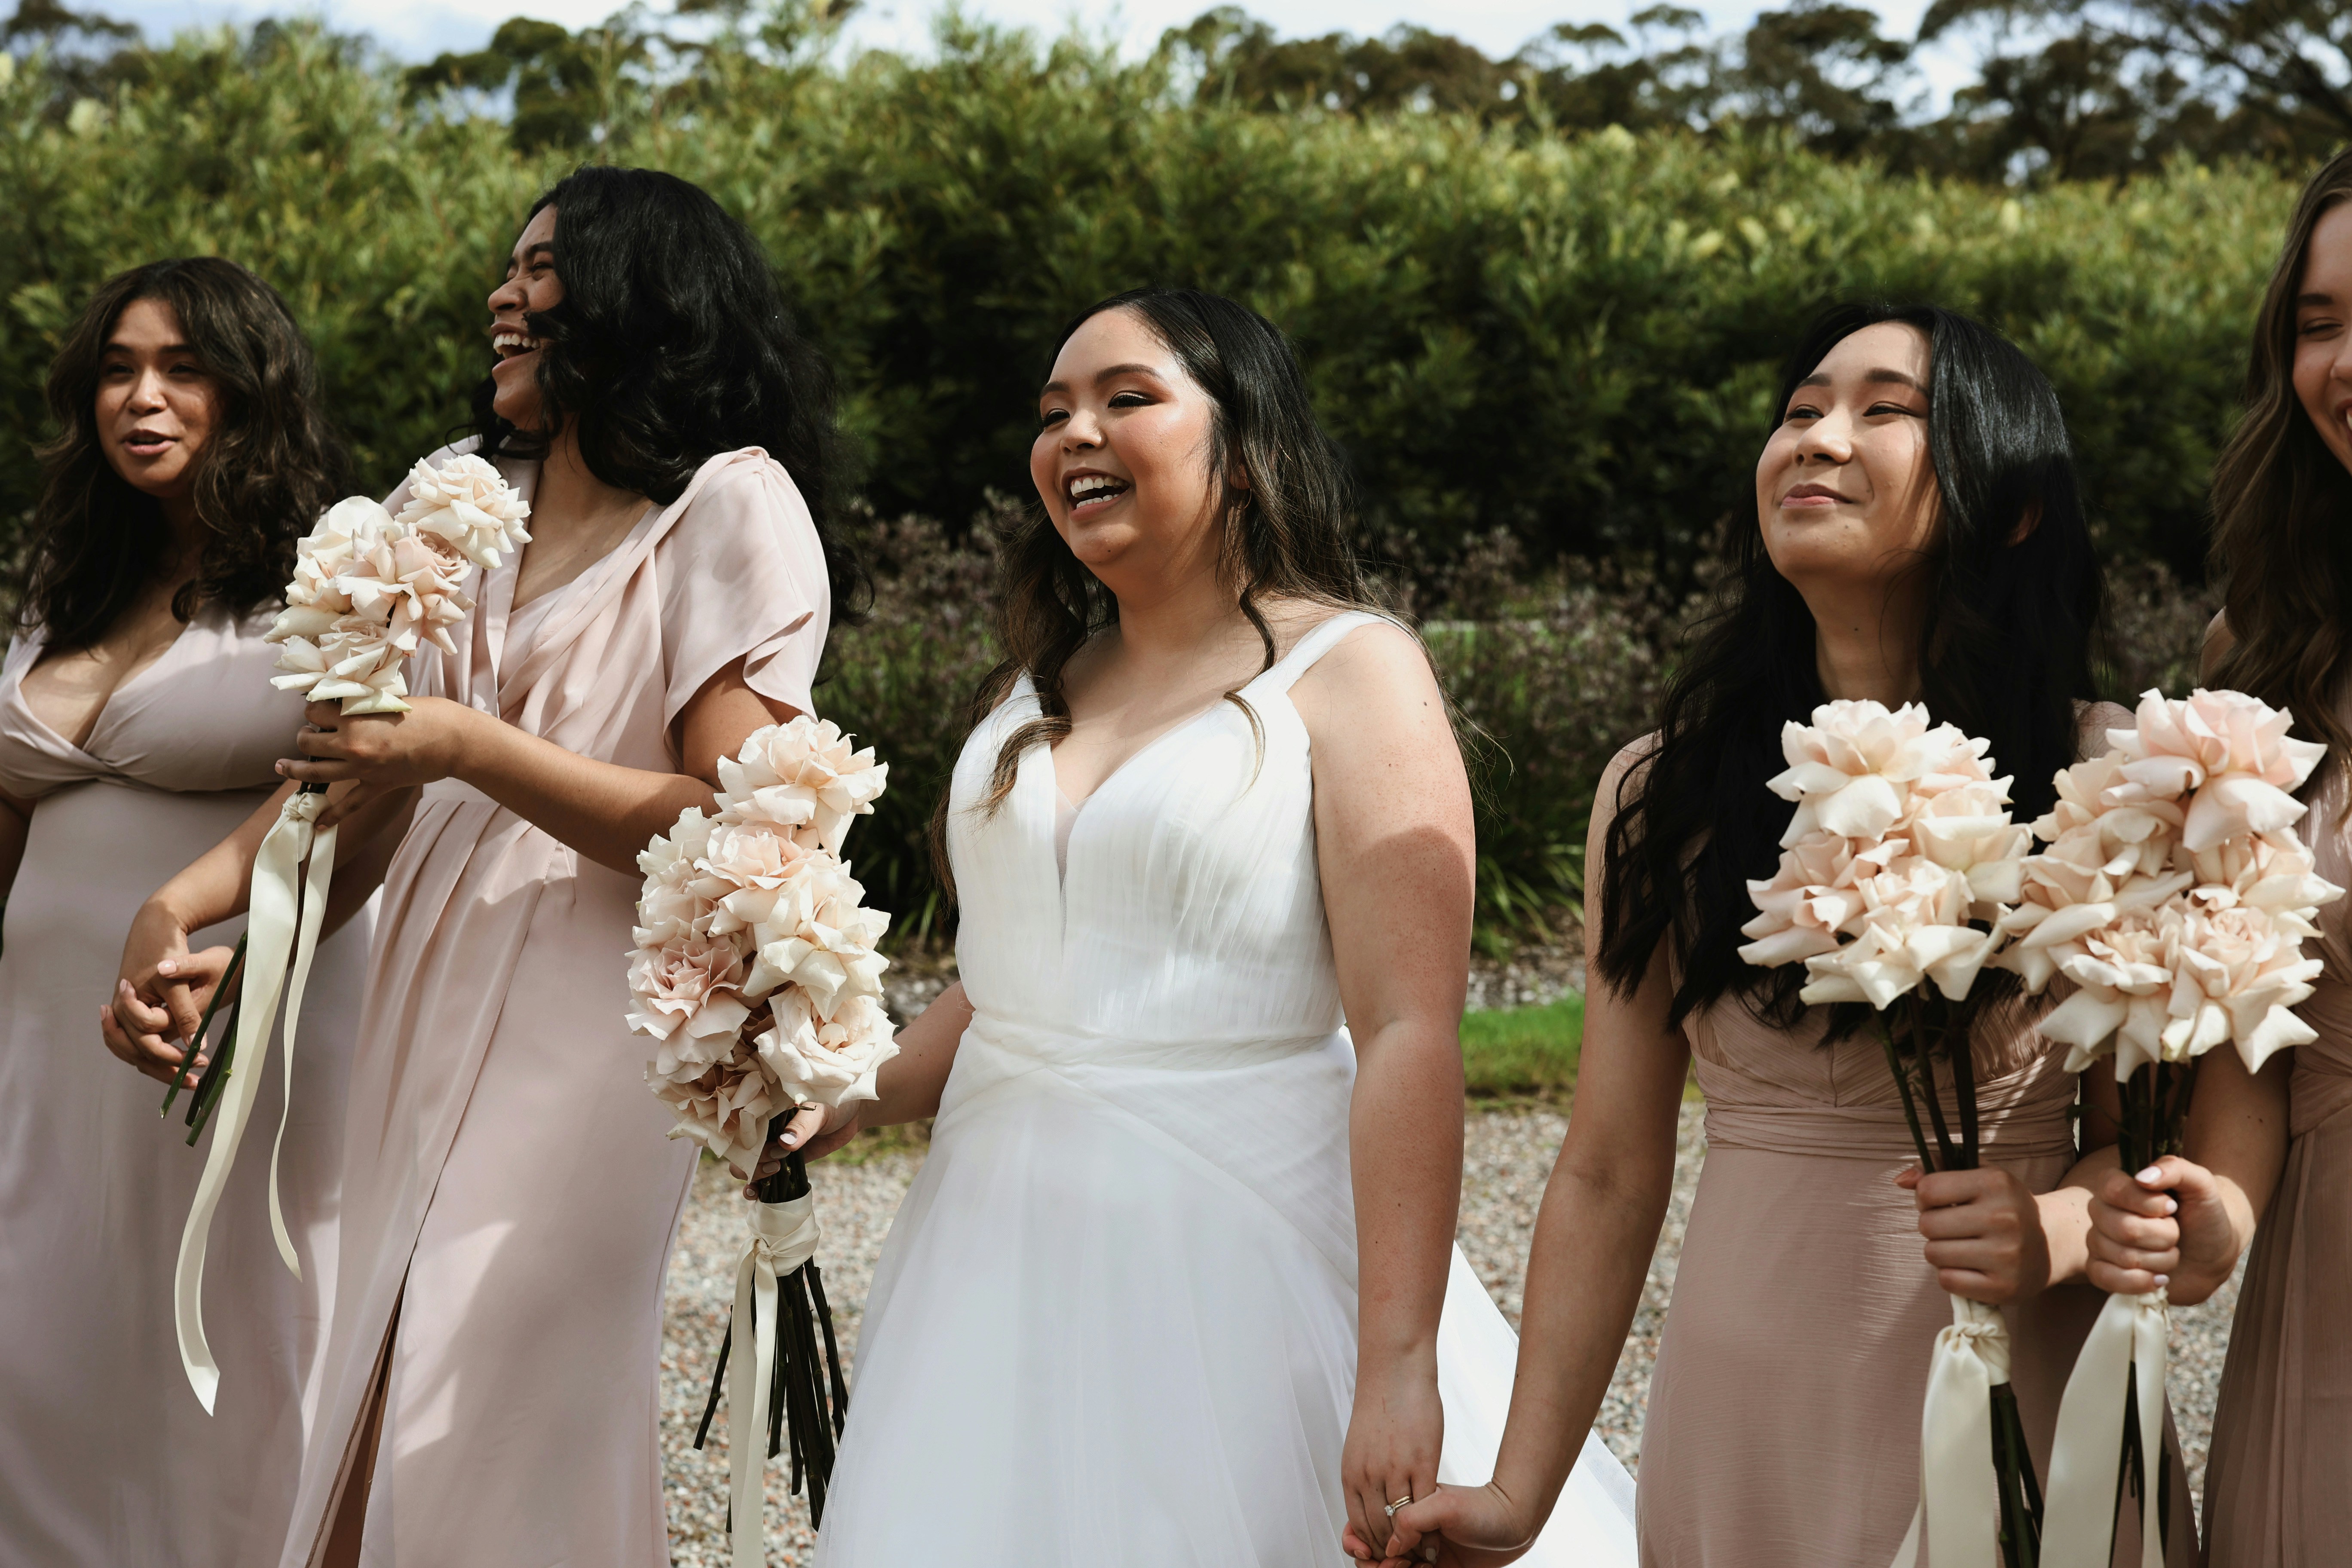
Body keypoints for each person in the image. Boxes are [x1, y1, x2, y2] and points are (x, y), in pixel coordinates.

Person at [759, 286, 1635, 1568]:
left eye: (1128, 397)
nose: (1074, 436)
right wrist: (855, 1093)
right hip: (993, 1250)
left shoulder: (1350, 669)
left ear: (1246, 441)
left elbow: (1407, 1032)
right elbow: (1016, 982)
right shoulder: (1035, 685)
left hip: (1238, 1250)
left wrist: (1396, 1365)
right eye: (1053, 413)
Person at [1384, 303, 2230, 1566]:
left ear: (2015, 503)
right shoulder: (1662, 793)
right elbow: (1610, 1171)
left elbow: (2146, 1156)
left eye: (1885, 410)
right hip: (1747, 1411)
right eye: (1798, 410)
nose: (1817, 439)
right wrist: (1521, 1495)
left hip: (2026, 1398)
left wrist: (2049, 1233)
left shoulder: (2115, 782)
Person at [104, 166, 855, 1567]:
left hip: (592, 1021)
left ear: (644, 291)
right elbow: (358, 795)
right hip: (423, 997)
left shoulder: (726, 509)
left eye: (544, 269)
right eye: (509, 271)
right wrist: (191, 914)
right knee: (374, 1396)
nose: (505, 296)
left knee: (481, 1396)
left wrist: (466, 742)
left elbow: (736, 820)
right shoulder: (456, 505)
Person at [0, 258, 376, 1568]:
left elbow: (354, 788)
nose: (141, 398)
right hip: (40, 1038)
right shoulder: (69, 590)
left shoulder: (334, 580)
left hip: (226, 1010)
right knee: (37, 1346)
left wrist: (189, 918)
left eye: (180, 369)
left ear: (249, 390)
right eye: (116, 370)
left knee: (224, 1354)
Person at [2138, 145, 2352, 1564]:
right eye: (2320, 323)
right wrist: (2210, 1219)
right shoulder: (2261, 659)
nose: (2346, 361)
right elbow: (2252, 1045)